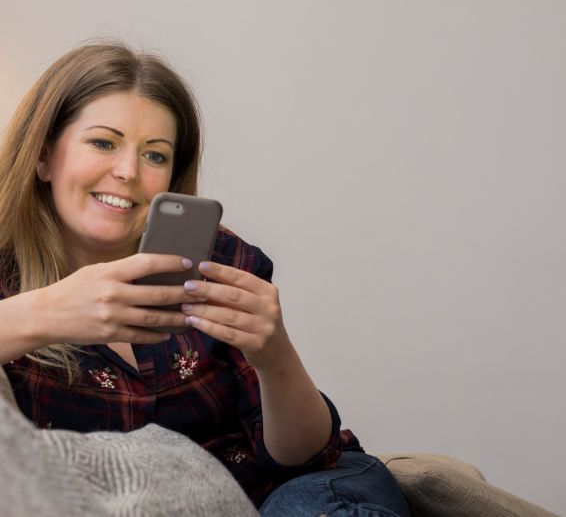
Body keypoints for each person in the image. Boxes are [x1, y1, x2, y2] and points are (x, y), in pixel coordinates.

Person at [0, 42, 412, 517]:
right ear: (44, 157)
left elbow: (307, 458)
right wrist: (46, 313)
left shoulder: (219, 259)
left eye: (155, 156)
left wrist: (276, 358)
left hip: (296, 492)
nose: (128, 171)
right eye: (103, 143)